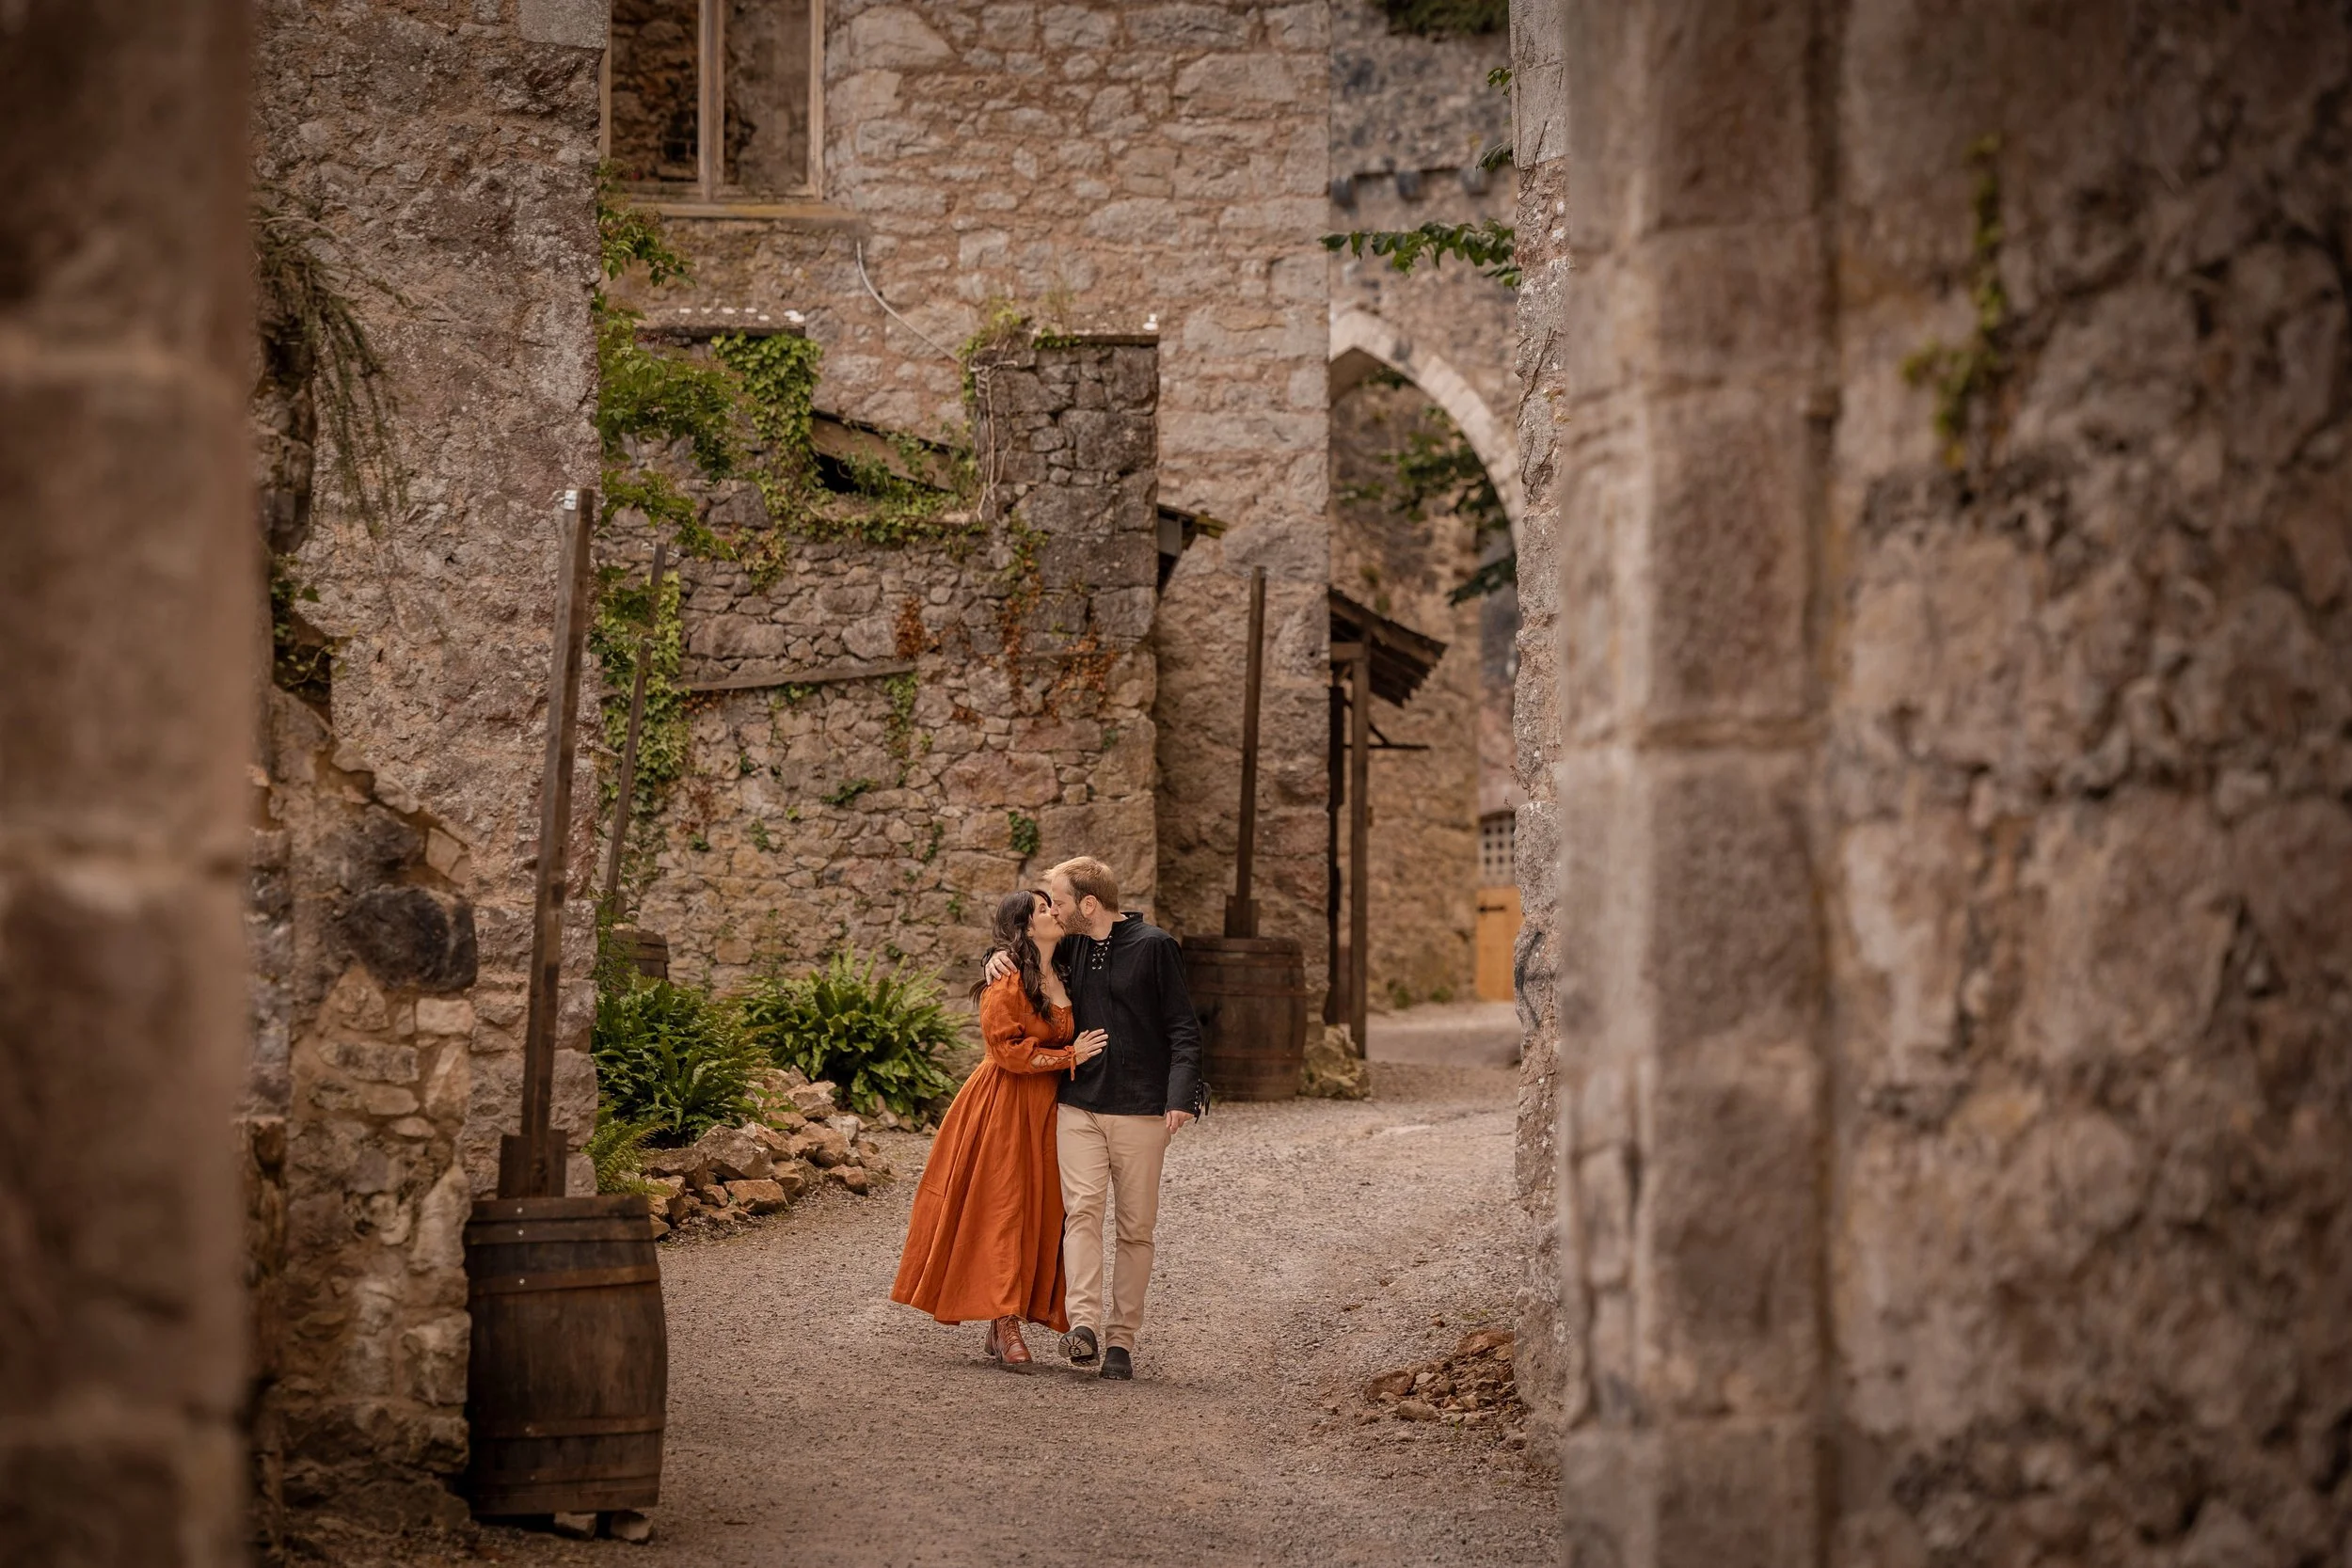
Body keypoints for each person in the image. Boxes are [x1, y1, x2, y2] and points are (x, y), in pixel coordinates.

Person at [988, 855, 1202, 1381]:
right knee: (1081, 1213)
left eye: (1059, 901)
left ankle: (1121, 1341)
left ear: (1088, 904)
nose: (1053, 911)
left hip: (1143, 1109)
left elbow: (1184, 1028)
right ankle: (1082, 1326)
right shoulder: (1071, 946)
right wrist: (993, 957)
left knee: (1136, 1228)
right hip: (1078, 1104)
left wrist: (1180, 1097)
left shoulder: (1155, 947)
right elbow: (1026, 952)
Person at [892, 888, 1107, 1370]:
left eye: (1053, 905)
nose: (1054, 912)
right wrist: (1070, 1055)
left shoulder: (1066, 966)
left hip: (1051, 1109)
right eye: (1044, 909)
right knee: (1003, 1208)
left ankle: (1008, 1315)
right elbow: (1007, 1051)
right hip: (1004, 1106)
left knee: (1041, 1211)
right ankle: (1004, 1320)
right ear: (1026, 926)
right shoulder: (1006, 981)